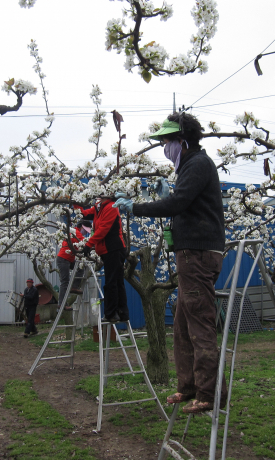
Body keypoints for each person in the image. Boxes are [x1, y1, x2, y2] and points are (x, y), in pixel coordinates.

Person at [114, 112, 226, 414]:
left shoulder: (198, 164)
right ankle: (188, 386)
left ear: (183, 140)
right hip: (193, 254)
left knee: (199, 322)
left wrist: (135, 208)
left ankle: (209, 393)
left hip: (197, 255)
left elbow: (178, 204)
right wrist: (172, 196)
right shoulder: (192, 166)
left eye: (167, 141)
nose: (164, 147)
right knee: (181, 324)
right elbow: (185, 205)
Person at [80, 197, 129, 323]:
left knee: (112, 282)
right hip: (108, 250)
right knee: (116, 281)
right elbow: (87, 213)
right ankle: (121, 313)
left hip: (114, 248)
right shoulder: (99, 206)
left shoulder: (111, 207)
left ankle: (111, 313)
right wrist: (76, 204)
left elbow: (103, 230)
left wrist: (89, 244)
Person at [56, 220, 92, 311]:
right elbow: (84, 242)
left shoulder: (75, 232)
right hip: (63, 258)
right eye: (85, 230)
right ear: (82, 227)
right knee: (65, 281)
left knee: (81, 266)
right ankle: (61, 304)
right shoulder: (75, 232)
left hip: (69, 259)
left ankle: (74, 286)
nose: (85, 233)